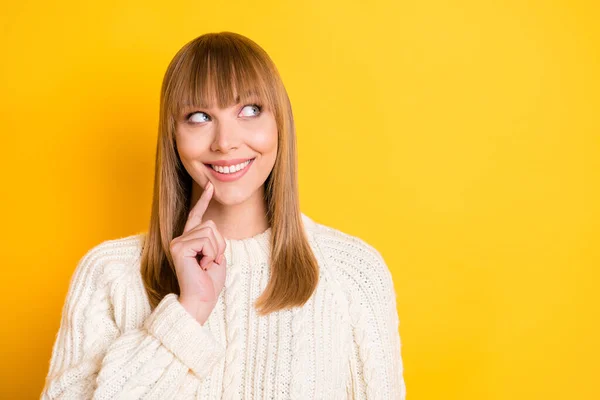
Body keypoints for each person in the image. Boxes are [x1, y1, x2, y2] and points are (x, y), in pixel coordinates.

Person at [40, 31, 407, 399]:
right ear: (173, 136)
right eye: (199, 117)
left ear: (280, 122)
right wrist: (188, 313)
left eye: (249, 110)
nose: (225, 141)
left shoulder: (353, 273)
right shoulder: (110, 274)